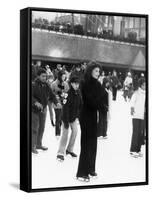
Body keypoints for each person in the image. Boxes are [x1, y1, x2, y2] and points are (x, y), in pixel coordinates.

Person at [76, 61, 104, 182]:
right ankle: (81, 172)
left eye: (99, 71)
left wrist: (102, 107)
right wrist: (100, 104)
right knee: (86, 144)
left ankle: (91, 168)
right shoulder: (84, 83)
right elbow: (90, 101)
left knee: (93, 144)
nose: (98, 73)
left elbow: (101, 100)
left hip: (93, 116)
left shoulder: (98, 84)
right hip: (85, 116)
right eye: (96, 71)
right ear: (90, 70)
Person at [32, 68, 59, 154]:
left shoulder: (47, 85)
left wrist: (56, 102)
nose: (45, 78)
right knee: (34, 128)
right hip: (34, 110)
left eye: (46, 76)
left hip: (43, 109)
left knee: (42, 128)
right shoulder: (33, 84)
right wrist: (35, 102)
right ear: (38, 76)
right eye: (43, 76)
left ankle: (39, 144)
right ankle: (32, 146)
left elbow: (52, 95)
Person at [57, 76, 82, 161]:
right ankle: (60, 153)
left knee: (75, 132)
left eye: (78, 84)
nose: (77, 85)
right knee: (65, 134)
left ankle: (69, 150)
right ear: (71, 84)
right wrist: (66, 122)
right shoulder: (67, 94)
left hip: (73, 117)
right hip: (66, 118)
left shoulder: (78, 92)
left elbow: (81, 104)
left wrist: (80, 115)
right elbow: (65, 108)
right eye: (75, 84)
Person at [130, 78, 146, 158]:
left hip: (143, 116)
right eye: (144, 85)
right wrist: (132, 109)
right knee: (136, 133)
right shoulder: (137, 93)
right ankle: (133, 150)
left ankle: (138, 150)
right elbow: (132, 102)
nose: (145, 86)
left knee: (141, 133)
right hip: (136, 116)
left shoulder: (146, 93)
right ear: (140, 85)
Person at [51, 70, 69, 139]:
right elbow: (50, 94)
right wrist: (56, 96)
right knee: (58, 118)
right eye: (63, 76)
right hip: (57, 104)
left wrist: (64, 95)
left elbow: (67, 93)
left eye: (65, 77)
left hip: (64, 103)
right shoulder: (54, 84)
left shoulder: (65, 84)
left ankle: (59, 130)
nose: (64, 78)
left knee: (61, 119)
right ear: (59, 76)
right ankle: (57, 133)